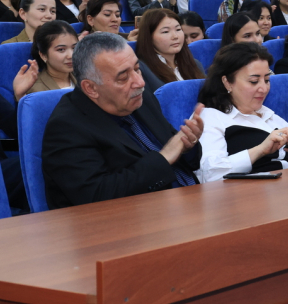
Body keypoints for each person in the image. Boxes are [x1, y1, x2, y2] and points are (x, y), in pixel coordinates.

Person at [41, 33, 204, 209]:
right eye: (123, 78)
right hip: (136, 217)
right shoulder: (66, 127)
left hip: (188, 200)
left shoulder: (141, 97)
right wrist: (163, 158)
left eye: (137, 69)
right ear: (91, 88)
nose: (140, 82)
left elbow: (179, 151)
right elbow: (97, 196)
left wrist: (187, 146)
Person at [197, 43, 288, 182]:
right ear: (227, 82)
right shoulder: (212, 117)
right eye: (254, 81)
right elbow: (210, 176)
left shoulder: (272, 118)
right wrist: (260, 150)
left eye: (267, 80)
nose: (264, 89)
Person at [134, 9, 205, 94]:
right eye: (165, 32)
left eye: (178, 29)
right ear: (149, 37)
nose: (175, 36)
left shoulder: (195, 64)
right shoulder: (142, 70)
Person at [12, 21, 78, 101]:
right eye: (61, 50)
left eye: (74, 48)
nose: (71, 55)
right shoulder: (34, 88)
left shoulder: (85, 78)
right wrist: (20, 96)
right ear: (43, 55)